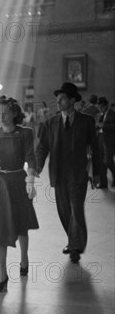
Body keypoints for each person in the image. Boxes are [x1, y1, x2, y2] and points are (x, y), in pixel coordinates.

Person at [35, 82, 101, 264]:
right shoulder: (50, 123)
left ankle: (75, 246)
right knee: (64, 212)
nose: (58, 101)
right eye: (58, 98)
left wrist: (97, 172)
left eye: (62, 98)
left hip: (78, 174)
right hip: (59, 174)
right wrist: (38, 166)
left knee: (76, 210)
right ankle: (73, 241)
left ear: (72, 101)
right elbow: (42, 147)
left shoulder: (86, 121)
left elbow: (96, 147)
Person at [0, 97, 39, 293]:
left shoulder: (25, 133)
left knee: (21, 225)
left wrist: (30, 180)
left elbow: (31, 158)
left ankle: (24, 258)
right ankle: (2, 275)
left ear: (15, 113)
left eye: (6, 112)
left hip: (19, 182)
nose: (2, 116)